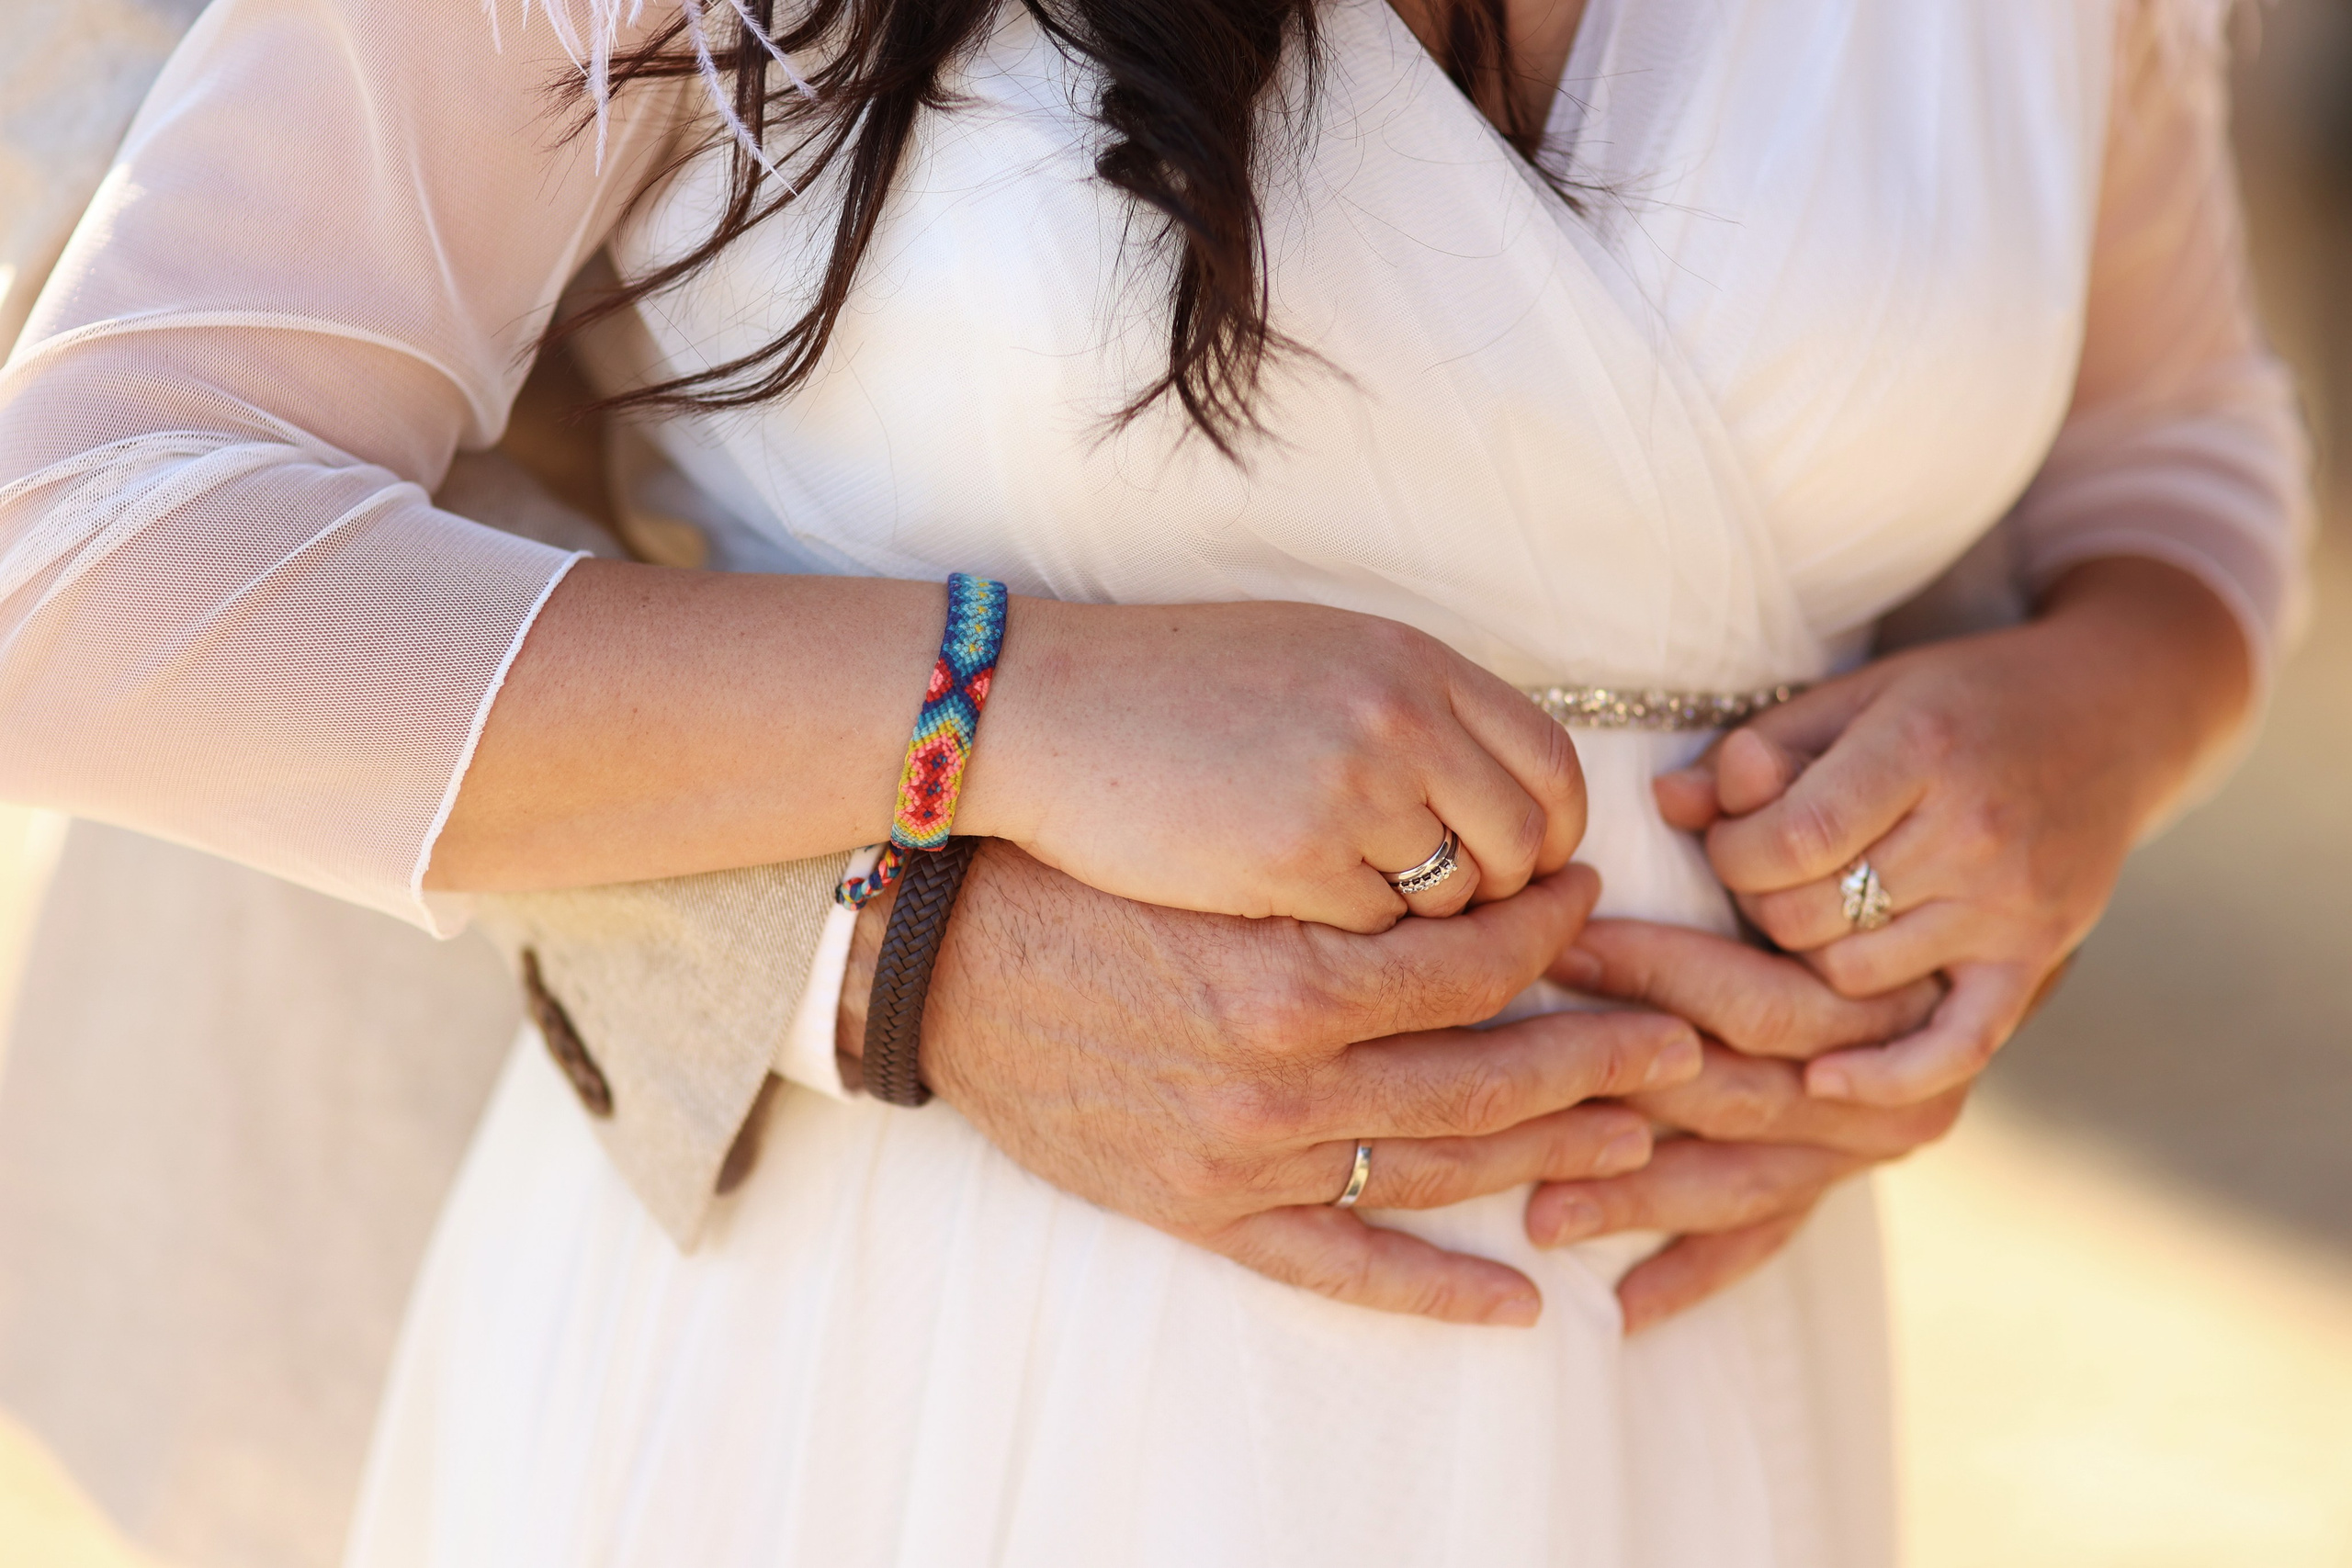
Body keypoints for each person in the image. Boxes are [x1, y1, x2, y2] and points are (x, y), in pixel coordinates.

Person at [0, 1, 2305, 1565]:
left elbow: (2179, 450)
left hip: (1677, 1384)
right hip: (909, 1357)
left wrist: (2094, 722)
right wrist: (1003, 705)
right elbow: (85, 555)